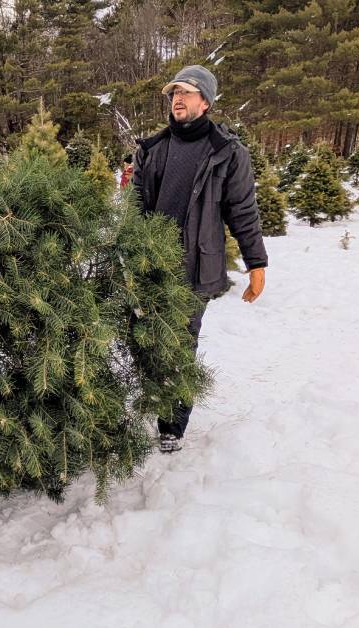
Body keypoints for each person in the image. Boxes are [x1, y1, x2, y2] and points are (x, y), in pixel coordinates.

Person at [131, 64, 268, 453]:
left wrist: (256, 264)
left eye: (187, 92)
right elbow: (135, 208)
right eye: (174, 92)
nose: (178, 98)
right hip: (151, 266)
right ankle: (154, 397)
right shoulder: (152, 150)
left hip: (195, 269)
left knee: (178, 346)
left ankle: (172, 423)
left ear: (205, 101)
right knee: (147, 341)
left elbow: (243, 210)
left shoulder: (226, 152)